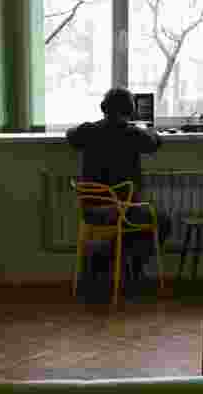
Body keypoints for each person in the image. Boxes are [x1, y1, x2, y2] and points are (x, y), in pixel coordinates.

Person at [66, 87, 172, 285]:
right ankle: (131, 267)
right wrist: (150, 131)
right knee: (163, 221)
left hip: (91, 211)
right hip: (123, 211)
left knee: (132, 224)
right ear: (130, 111)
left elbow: (70, 135)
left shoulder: (88, 130)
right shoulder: (133, 134)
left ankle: (107, 257)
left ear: (103, 108)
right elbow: (155, 142)